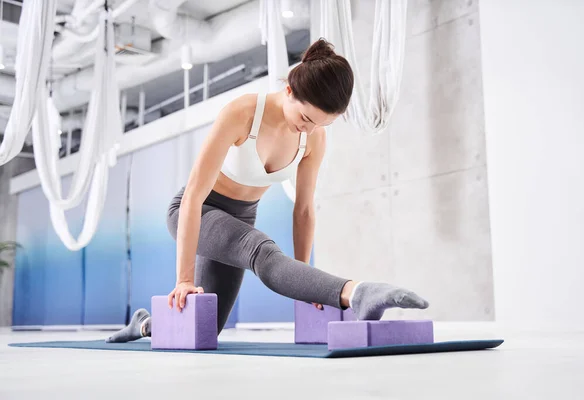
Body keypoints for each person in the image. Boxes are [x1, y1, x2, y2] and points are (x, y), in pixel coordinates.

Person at [106, 38, 429, 343]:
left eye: (321, 124)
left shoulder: (312, 138)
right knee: (262, 251)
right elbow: (193, 195)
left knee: (205, 327)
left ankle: (144, 324)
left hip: (240, 220)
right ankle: (358, 292)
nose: (311, 129)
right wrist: (184, 280)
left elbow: (303, 210)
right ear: (288, 91)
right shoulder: (242, 114)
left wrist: (308, 285)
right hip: (197, 210)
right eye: (305, 118)